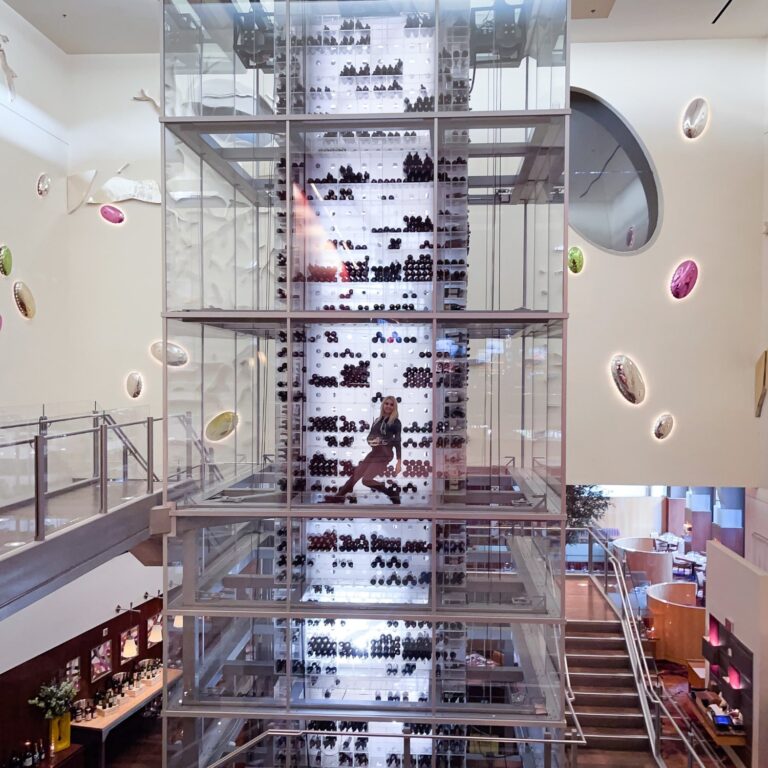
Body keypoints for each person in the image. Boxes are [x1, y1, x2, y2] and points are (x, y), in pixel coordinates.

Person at [326, 396, 402, 503]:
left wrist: (399, 461)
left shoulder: (396, 422)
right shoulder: (377, 420)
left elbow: (397, 441)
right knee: (356, 474)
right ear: (383, 405)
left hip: (385, 454)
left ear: (394, 407)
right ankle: (338, 497)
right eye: (386, 403)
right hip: (375, 452)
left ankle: (392, 493)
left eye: (391, 404)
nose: (388, 406)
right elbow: (370, 437)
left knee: (366, 480)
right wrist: (373, 441)